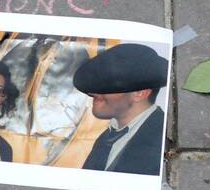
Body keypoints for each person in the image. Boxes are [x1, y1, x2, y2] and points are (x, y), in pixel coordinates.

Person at [72, 43, 167, 175]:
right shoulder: (106, 138)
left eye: (108, 86)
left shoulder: (162, 137)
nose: (93, 93)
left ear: (139, 93)